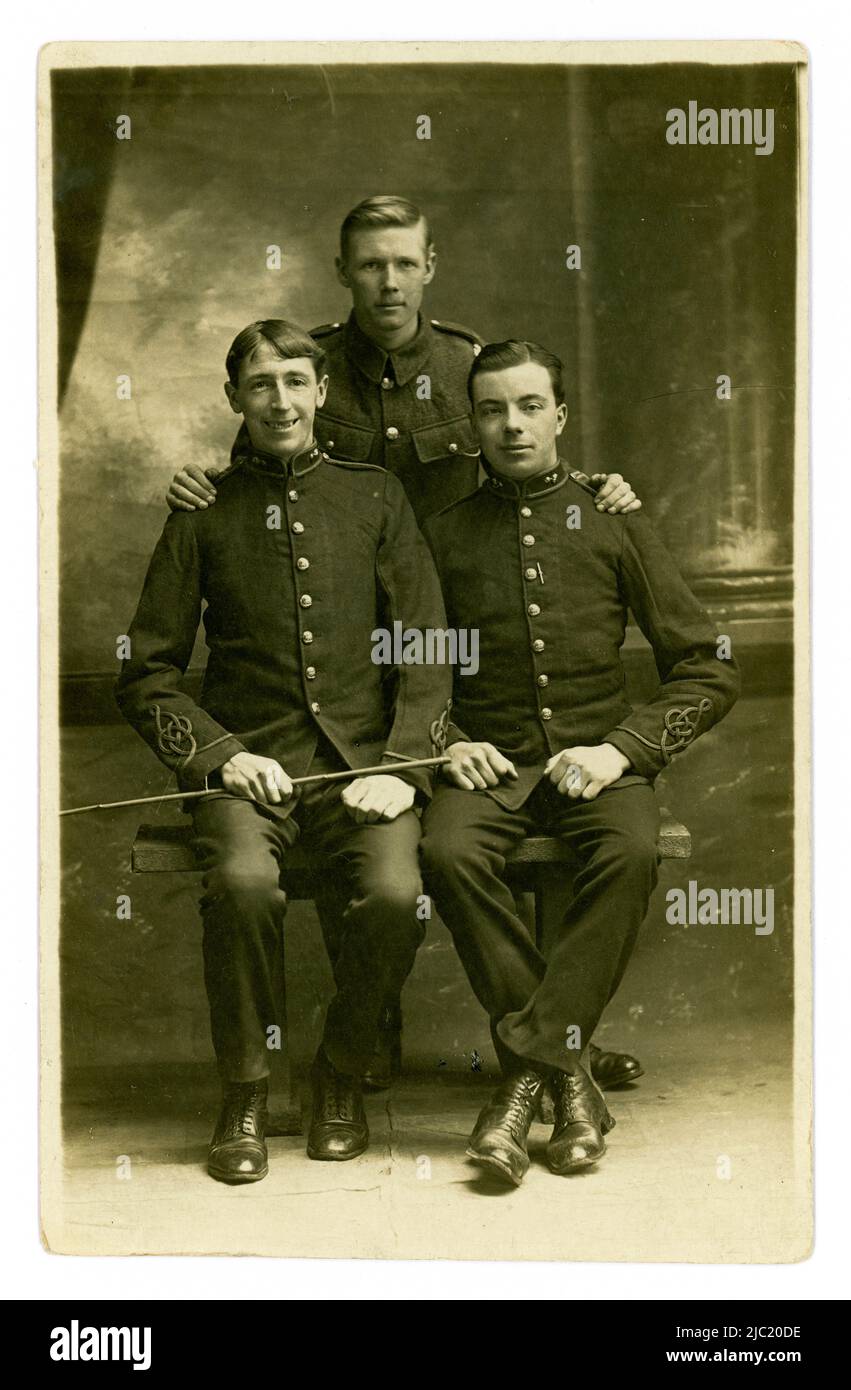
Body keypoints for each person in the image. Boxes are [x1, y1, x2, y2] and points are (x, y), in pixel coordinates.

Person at [162, 194, 644, 1092]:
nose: (387, 280)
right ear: (343, 271)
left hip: (460, 624)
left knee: (440, 848)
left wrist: (596, 490)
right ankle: (377, 1039)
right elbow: (260, 489)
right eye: (369, 263)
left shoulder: (465, 362)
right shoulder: (302, 363)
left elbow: (524, 445)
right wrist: (198, 484)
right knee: (396, 858)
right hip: (338, 644)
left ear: (430, 266)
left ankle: (546, 1040)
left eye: (403, 262)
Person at [116, 320, 450, 1184]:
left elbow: (425, 644)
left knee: (392, 892)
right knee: (240, 883)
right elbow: (145, 673)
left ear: (323, 392)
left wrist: (402, 766)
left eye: (296, 381)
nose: (280, 400)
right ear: (235, 399)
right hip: (246, 776)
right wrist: (222, 757)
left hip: (362, 769)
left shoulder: (375, 496)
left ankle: (338, 1071)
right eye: (260, 384)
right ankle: (246, 1089)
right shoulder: (202, 510)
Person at [418, 340, 741, 1186]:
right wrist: (448, 740)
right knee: (446, 852)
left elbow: (707, 662)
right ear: (473, 423)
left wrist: (619, 750)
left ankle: (524, 1080)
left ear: (559, 415)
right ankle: (570, 1080)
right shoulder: (441, 533)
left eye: (530, 406)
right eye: (492, 409)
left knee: (631, 851)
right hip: (487, 770)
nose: (512, 425)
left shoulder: (612, 516)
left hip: (600, 765)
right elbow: (402, 663)